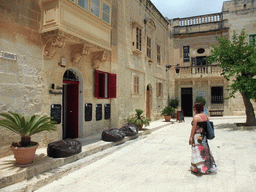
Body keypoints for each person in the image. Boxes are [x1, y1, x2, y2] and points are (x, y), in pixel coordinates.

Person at [189, 102, 217, 174]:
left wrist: (191, 137)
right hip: (203, 136)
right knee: (205, 151)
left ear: (196, 109)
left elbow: (193, 128)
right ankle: (208, 166)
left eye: (194, 108)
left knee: (197, 151)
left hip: (197, 136)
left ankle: (197, 167)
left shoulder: (196, 117)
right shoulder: (206, 116)